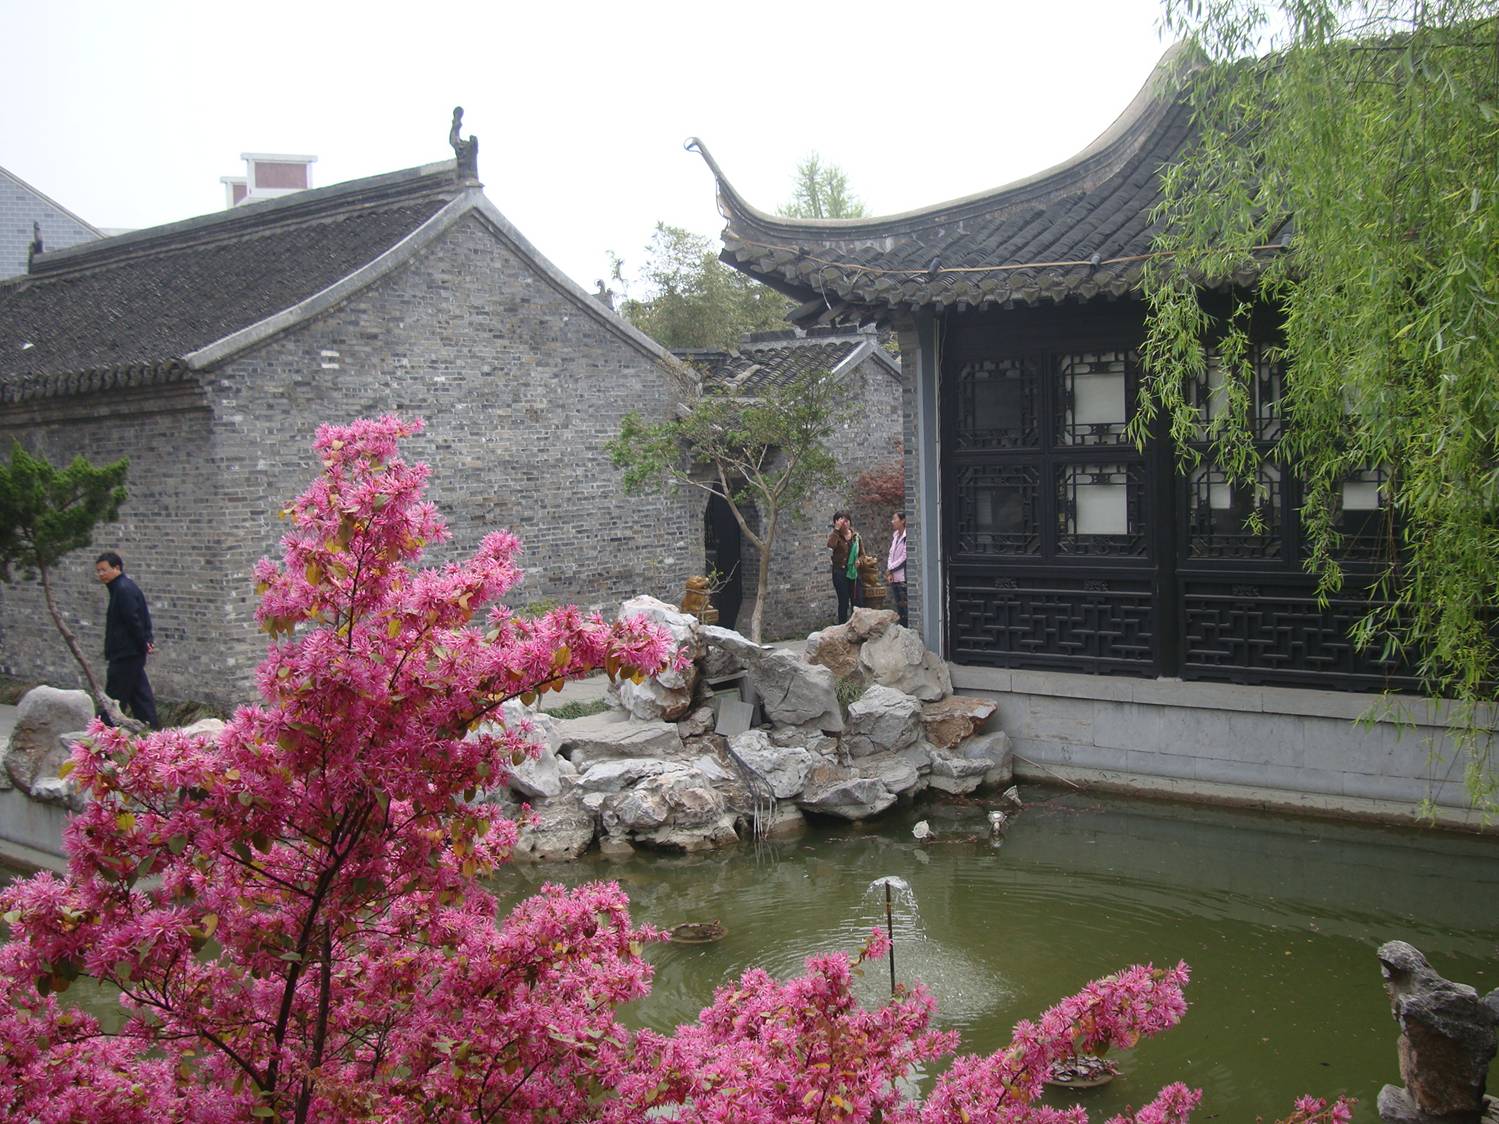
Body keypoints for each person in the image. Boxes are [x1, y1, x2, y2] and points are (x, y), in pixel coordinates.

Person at [94, 551, 160, 729]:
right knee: (140, 697)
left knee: (114, 698)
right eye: (98, 571)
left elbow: (134, 620)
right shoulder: (123, 587)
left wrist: (143, 642)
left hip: (126, 653)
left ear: (117, 568)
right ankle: (153, 732)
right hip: (130, 652)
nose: (100, 574)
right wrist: (145, 641)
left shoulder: (123, 590)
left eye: (104, 570)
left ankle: (103, 736)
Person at [826, 511, 859, 625]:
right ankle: (842, 628)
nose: (845, 523)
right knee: (843, 601)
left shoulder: (856, 537)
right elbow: (831, 545)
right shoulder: (835, 536)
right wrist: (836, 529)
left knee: (856, 601)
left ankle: (856, 626)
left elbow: (862, 554)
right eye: (841, 521)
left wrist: (860, 561)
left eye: (846, 520)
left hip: (853, 572)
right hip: (839, 572)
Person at [886, 510, 909, 627]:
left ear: (903, 520)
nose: (892, 522)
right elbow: (891, 554)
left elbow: (904, 558)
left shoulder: (907, 537)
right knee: (899, 607)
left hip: (902, 577)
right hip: (894, 576)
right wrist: (889, 570)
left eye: (895, 519)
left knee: (905, 607)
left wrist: (891, 568)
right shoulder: (895, 536)